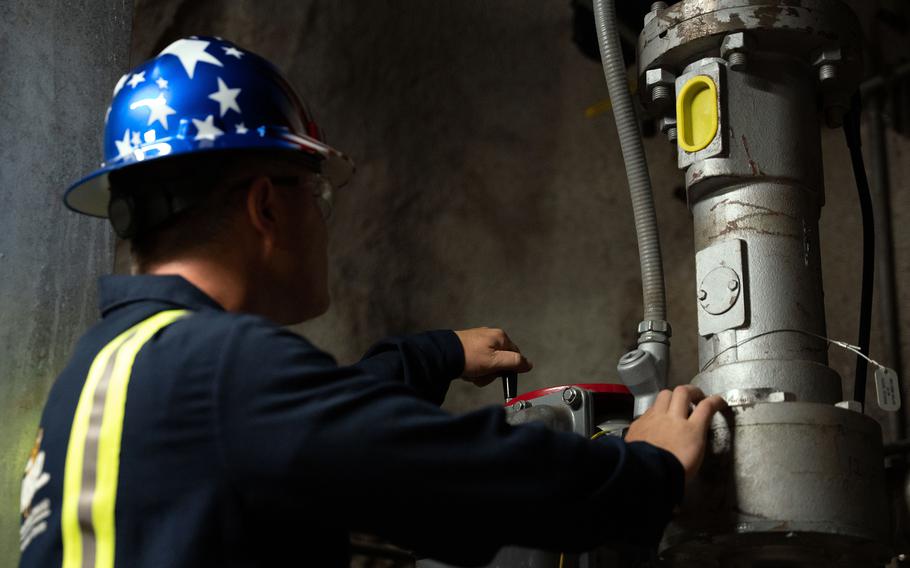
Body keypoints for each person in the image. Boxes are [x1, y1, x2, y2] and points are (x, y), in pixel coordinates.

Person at [18, 36, 726, 567]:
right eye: (316, 193)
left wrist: (431, 355)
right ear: (267, 204)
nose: (324, 220)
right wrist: (644, 468)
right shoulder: (222, 370)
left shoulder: (97, 379)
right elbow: (454, 480)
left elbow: (306, 432)